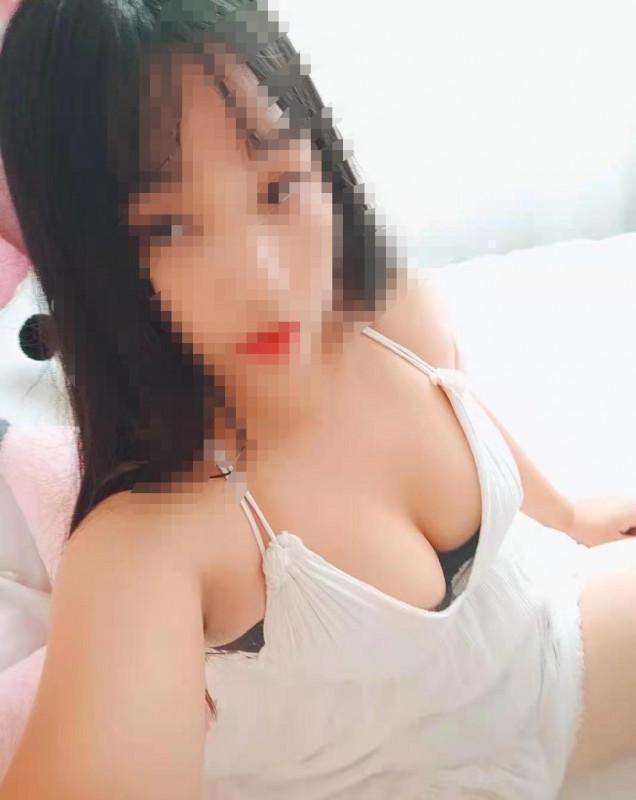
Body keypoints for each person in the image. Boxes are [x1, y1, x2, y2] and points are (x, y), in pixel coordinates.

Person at [2, 1, 636, 798]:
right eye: (167, 228)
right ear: (87, 259)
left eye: (277, 185)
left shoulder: (385, 313)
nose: (267, 281)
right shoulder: (147, 551)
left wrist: (568, 516)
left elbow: (462, 406)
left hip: (554, 655)